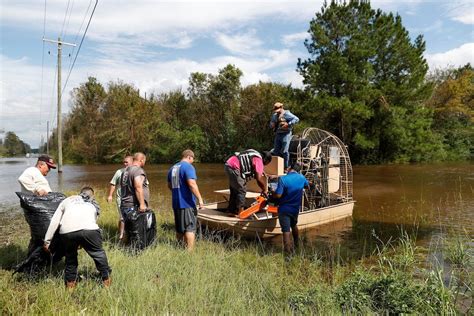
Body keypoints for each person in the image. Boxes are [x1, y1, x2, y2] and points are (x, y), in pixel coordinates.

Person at [43, 187, 111, 289]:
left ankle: (70, 286)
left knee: (70, 258)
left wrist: (47, 241)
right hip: (89, 230)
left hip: (67, 232)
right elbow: (92, 221)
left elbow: (55, 221)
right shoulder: (91, 204)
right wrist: (83, 241)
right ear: (92, 196)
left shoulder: (66, 200)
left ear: (79, 193)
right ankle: (106, 282)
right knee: (98, 254)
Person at [167, 149, 204, 251]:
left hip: (176, 202)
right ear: (189, 157)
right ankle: (190, 253)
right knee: (190, 228)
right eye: (192, 159)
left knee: (179, 228)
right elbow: (192, 184)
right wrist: (200, 199)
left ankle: (179, 248)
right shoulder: (188, 167)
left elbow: (169, 185)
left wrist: (177, 193)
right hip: (187, 203)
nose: (192, 161)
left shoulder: (172, 168)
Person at [273, 163, 309, 256]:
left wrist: (273, 193)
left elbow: (278, 195)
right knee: (294, 225)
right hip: (295, 209)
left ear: (290, 168)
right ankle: (297, 244)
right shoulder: (302, 178)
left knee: (286, 231)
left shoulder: (283, 179)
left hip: (284, 209)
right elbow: (307, 186)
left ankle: (287, 253)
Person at [224, 149, 272, 216]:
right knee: (242, 190)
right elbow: (258, 179)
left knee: (234, 189)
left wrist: (261, 172)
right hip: (234, 167)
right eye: (267, 164)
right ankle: (241, 213)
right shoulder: (259, 160)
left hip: (228, 164)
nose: (265, 165)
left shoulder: (255, 154)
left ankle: (231, 211)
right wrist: (264, 190)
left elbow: (249, 162)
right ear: (266, 160)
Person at [107, 155, 133, 240]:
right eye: (124, 162)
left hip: (132, 199)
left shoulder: (135, 171)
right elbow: (113, 183)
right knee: (122, 216)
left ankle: (129, 233)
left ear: (132, 162)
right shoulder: (119, 172)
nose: (125, 164)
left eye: (127, 162)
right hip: (120, 198)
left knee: (131, 216)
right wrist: (110, 195)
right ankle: (121, 235)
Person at [120, 152, 149, 220]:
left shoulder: (125, 171)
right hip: (134, 206)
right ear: (141, 160)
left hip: (125, 204)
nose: (144, 163)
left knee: (129, 229)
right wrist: (142, 204)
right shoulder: (138, 170)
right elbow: (138, 187)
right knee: (137, 229)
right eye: (144, 161)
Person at [269, 102, 299, 169]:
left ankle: (286, 167)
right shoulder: (274, 115)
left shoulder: (287, 113)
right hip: (278, 134)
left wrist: (288, 124)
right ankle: (277, 167)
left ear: (281, 108)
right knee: (276, 151)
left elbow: (296, 119)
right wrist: (272, 125)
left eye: (278, 109)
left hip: (286, 134)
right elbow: (271, 123)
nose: (277, 111)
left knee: (285, 151)